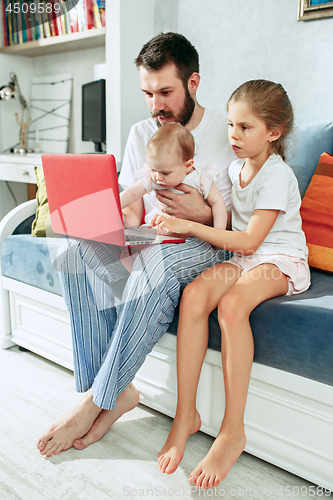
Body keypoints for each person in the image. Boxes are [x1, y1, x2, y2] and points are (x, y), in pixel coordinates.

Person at [35, 32, 235, 458]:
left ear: (193, 83)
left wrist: (197, 214)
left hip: (204, 243)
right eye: (147, 93)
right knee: (75, 254)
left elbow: (240, 220)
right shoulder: (142, 132)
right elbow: (130, 200)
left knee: (156, 265)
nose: (155, 105)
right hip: (153, 234)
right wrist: (111, 230)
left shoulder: (226, 130)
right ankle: (113, 390)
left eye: (165, 92)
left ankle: (94, 403)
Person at [155, 80, 311, 489]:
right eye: (230, 126)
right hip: (242, 258)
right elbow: (220, 218)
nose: (234, 137)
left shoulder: (278, 175)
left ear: (273, 132)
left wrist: (189, 223)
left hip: (279, 257)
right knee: (193, 297)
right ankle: (186, 413)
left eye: (245, 128)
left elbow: (250, 240)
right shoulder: (232, 169)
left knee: (232, 306)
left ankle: (232, 431)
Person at [120, 123, 228, 231]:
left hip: (193, 235)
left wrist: (219, 231)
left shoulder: (201, 178)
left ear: (187, 166)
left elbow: (218, 204)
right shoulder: (153, 178)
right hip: (159, 230)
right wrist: (112, 207)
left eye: (165, 173)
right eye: (153, 170)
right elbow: (132, 193)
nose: (158, 177)